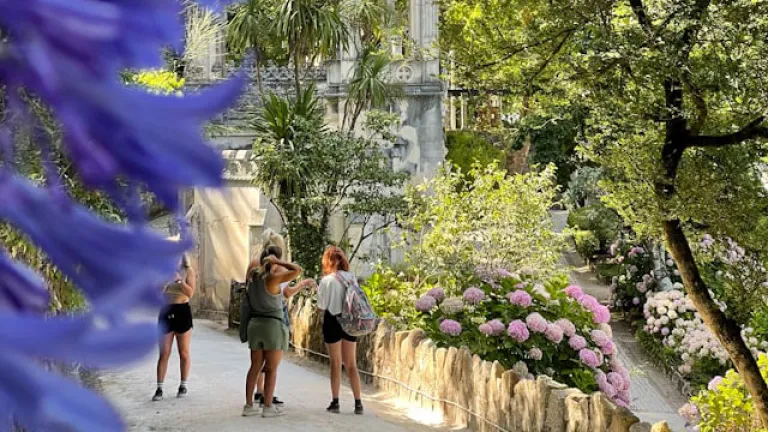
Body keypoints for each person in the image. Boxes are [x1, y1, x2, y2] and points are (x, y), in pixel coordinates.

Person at [242, 245, 302, 418]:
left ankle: (248, 405)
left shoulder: (253, 277)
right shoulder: (273, 279)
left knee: (255, 366)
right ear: (274, 259)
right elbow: (297, 270)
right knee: (271, 369)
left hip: (255, 325)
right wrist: (280, 262)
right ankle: (267, 406)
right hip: (272, 325)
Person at [253, 278, 315, 407]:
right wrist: (302, 283)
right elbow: (286, 293)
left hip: (259, 314)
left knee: (259, 360)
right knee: (271, 361)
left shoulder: (259, 273)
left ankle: (259, 392)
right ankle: (266, 397)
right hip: (276, 314)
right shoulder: (280, 273)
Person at [317, 246, 364, 415]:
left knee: (335, 363)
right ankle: (358, 403)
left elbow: (321, 306)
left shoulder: (326, 281)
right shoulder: (351, 278)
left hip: (333, 320)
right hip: (350, 321)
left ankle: (335, 401)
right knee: (351, 364)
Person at [153, 254, 195, 401]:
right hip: (166, 310)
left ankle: (183, 385)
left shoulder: (188, 271)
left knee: (184, 352)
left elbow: (190, 293)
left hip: (182, 310)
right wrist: (163, 284)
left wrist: (179, 280)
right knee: (164, 352)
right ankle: (159, 388)